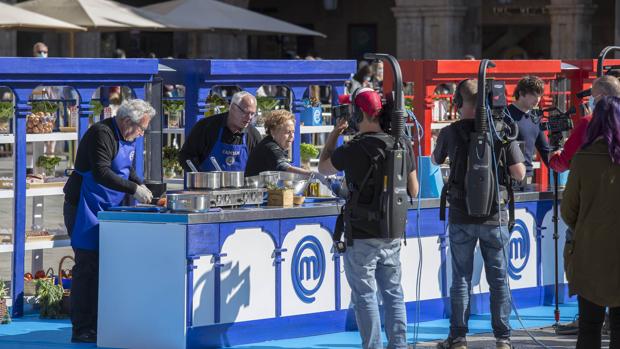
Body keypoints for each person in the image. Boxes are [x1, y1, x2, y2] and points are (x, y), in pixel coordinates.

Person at [318, 88, 419, 349]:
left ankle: (372, 346)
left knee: (365, 295)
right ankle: (399, 345)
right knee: (393, 293)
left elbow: (323, 167)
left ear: (358, 112)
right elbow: (414, 189)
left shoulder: (354, 148)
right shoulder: (401, 143)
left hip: (362, 232)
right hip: (393, 230)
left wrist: (332, 136)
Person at [432, 79, 526, 349]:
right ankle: (503, 339)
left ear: (458, 104)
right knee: (498, 279)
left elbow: (436, 160)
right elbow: (519, 173)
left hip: (461, 215)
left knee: (460, 278)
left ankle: (458, 337)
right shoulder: (502, 130)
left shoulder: (450, 132)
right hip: (495, 216)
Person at [63, 99, 156, 343]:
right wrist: (134, 189)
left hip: (110, 208)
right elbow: (102, 172)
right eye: (140, 128)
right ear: (126, 121)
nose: (141, 133)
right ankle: (82, 328)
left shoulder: (128, 137)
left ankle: (102, 321)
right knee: (87, 266)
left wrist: (140, 183)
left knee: (109, 267)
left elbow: (127, 170)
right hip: (84, 207)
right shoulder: (100, 134)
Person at [550, 76, 620, 336]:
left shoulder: (586, 142)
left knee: (589, 329)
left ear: (599, 99)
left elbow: (568, 211)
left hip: (591, 249)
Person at [179, 91, 261, 172]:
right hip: (207, 184)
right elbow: (186, 156)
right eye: (245, 112)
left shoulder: (253, 135)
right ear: (232, 107)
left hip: (243, 184)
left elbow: (260, 165)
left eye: (252, 114)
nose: (249, 117)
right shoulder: (206, 127)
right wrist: (200, 176)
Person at [506, 75, 552, 185]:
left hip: (528, 178)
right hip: (507, 179)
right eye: (533, 95)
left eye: (540, 95)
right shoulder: (505, 115)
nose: (538, 100)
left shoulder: (535, 118)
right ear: (521, 93)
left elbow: (545, 150)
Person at [245, 109, 312, 177]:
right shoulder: (270, 146)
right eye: (288, 132)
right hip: (254, 186)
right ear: (273, 132)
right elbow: (282, 166)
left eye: (293, 132)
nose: (292, 136)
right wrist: (310, 174)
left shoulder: (275, 144)